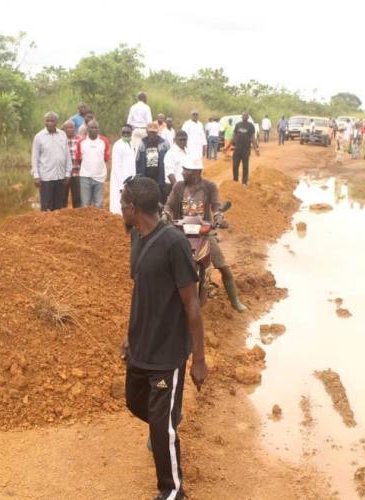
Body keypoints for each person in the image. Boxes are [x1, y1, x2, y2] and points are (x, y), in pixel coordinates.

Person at [120, 175, 208, 500]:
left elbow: (192, 304)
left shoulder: (173, 243)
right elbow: (142, 293)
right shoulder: (138, 238)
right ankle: (168, 421)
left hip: (167, 353)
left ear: (132, 207)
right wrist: (131, 337)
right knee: (134, 402)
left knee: (159, 427)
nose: (120, 208)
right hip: (141, 346)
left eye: (122, 203)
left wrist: (198, 359)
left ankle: (172, 492)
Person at [164, 158, 248, 312]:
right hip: (181, 232)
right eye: (183, 169)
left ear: (196, 172)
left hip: (204, 232)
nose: (182, 172)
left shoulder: (209, 187)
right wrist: (165, 215)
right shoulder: (178, 186)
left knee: (223, 267)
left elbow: (216, 206)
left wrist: (218, 217)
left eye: (186, 170)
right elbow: (169, 204)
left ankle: (235, 301)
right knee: (165, 264)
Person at [31, 112, 73, 211]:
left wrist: (67, 173)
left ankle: (56, 226)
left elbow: (67, 155)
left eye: (52, 121)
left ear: (57, 122)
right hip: (46, 178)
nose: (49, 123)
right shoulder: (39, 137)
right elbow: (35, 157)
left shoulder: (62, 135)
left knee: (58, 206)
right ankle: (45, 226)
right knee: (46, 206)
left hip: (60, 177)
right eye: (47, 121)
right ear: (45, 122)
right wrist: (36, 176)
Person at [76, 120, 111, 208]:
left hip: (99, 177)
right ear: (87, 129)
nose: (94, 129)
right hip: (85, 177)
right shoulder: (81, 142)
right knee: (85, 204)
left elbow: (106, 158)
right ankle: (85, 222)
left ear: (98, 129)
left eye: (96, 128)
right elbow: (78, 159)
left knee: (98, 204)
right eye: (92, 127)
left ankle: (98, 222)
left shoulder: (104, 141)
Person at [136, 122, 170, 201]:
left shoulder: (164, 143)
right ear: (147, 132)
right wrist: (139, 176)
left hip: (160, 177)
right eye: (150, 132)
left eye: (154, 132)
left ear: (157, 132)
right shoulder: (142, 143)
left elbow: (169, 160)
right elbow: (138, 160)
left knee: (161, 198)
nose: (152, 134)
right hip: (146, 177)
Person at [110, 125, 137, 215]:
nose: (125, 134)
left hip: (131, 178)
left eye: (128, 132)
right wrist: (122, 185)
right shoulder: (118, 145)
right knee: (118, 204)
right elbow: (116, 167)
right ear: (120, 133)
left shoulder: (133, 144)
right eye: (123, 132)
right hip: (120, 180)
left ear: (131, 133)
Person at [231, 112, 260, 187]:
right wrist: (227, 147)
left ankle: (244, 182)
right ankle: (235, 181)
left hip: (246, 149)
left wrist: (256, 149)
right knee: (235, 166)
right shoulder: (237, 125)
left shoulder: (251, 126)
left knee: (245, 166)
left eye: (246, 116)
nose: (244, 117)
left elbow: (253, 138)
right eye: (243, 115)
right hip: (237, 149)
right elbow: (233, 137)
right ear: (241, 117)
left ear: (248, 117)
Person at [62, 120, 82, 208]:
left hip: (77, 173)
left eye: (71, 127)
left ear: (75, 128)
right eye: (67, 128)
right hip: (63, 174)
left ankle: (77, 219)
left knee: (77, 198)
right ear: (64, 129)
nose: (69, 129)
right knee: (62, 198)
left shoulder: (80, 140)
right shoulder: (61, 140)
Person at [163, 130, 189, 199]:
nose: (183, 142)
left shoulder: (187, 151)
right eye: (180, 140)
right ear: (175, 140)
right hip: (173, 187)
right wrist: (178, 189)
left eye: (185, 140)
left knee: (186, 208)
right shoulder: (171, 153)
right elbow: (169, 173)